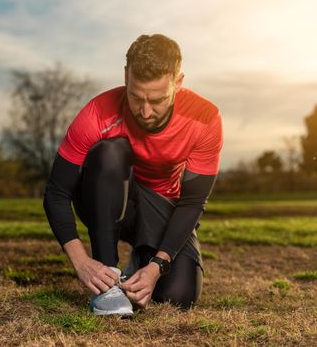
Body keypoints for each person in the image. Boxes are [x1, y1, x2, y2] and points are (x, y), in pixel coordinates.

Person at [43, 34, 223, 315]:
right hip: (107, 196)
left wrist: (157, 266)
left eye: (158, 99)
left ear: (178, 82)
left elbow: (192, 202)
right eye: (136, 97)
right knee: (110, 151)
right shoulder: (97, 113)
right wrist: (82, 262)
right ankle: (108, 281)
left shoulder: (205, 118)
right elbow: (56, 193)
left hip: (162, 203)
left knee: (177, 296)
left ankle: (142, 260)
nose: (146, 111)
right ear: (126, 76)